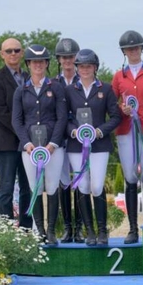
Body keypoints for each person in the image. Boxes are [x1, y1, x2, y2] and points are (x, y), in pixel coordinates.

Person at [11, 44, 67, 245]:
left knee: (52, 186)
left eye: (42, 62)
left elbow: (62, 118)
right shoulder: (21, 91)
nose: (38, 65)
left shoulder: (56, 87)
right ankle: (40, 230)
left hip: (53, 147)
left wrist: (53, 143)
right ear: (28, 64)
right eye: (34, 62)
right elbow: (16, 120)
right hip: (30, 149)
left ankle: (51, 231)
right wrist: (26, 143)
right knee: (35, 187)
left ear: (46, 64)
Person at [65, 49, 121, 246]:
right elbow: (64, 118)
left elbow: (115, 117)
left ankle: (102, 230)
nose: (85, 69)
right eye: (81, 66)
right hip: (76, 146)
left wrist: (99, 131)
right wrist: (74, 132)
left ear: (95, 68)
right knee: (82, 185)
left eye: (88, 66)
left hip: (99, 145)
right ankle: (89, 230)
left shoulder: (105, 89)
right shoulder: (69, 90)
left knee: (97, 186)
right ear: (77, 68)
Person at [112, 30, 143, 244]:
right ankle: (132, 229)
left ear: (142, 49)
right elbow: (112, 104)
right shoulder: (118, 76)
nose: (133, 51)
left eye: (137, 47)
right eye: (129, 49)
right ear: (124, 52)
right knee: (130, 177)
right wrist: (122, 108)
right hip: (126, 131)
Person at [0, 38, 32, 228]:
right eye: (8, 51)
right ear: (2, 54)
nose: (13, 54)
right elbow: (1, 112)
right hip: (7, 141)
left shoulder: (31, 78)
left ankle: (26, 228)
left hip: (29, 143)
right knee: (6, 188)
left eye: (16, 50)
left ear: (22, 53)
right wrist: (24, 133)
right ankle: (6, 229)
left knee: (28, 188)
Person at [54, 37, 85, 243]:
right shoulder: (52, 83)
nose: (67, 61)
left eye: (71, 57)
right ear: (58, 60)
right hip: (59, 139)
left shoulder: (83, 82)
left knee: (80, 181)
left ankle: (80, 227)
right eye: (64, 57)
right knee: (63, 182)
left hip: (79, 138)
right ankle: (67, 226)